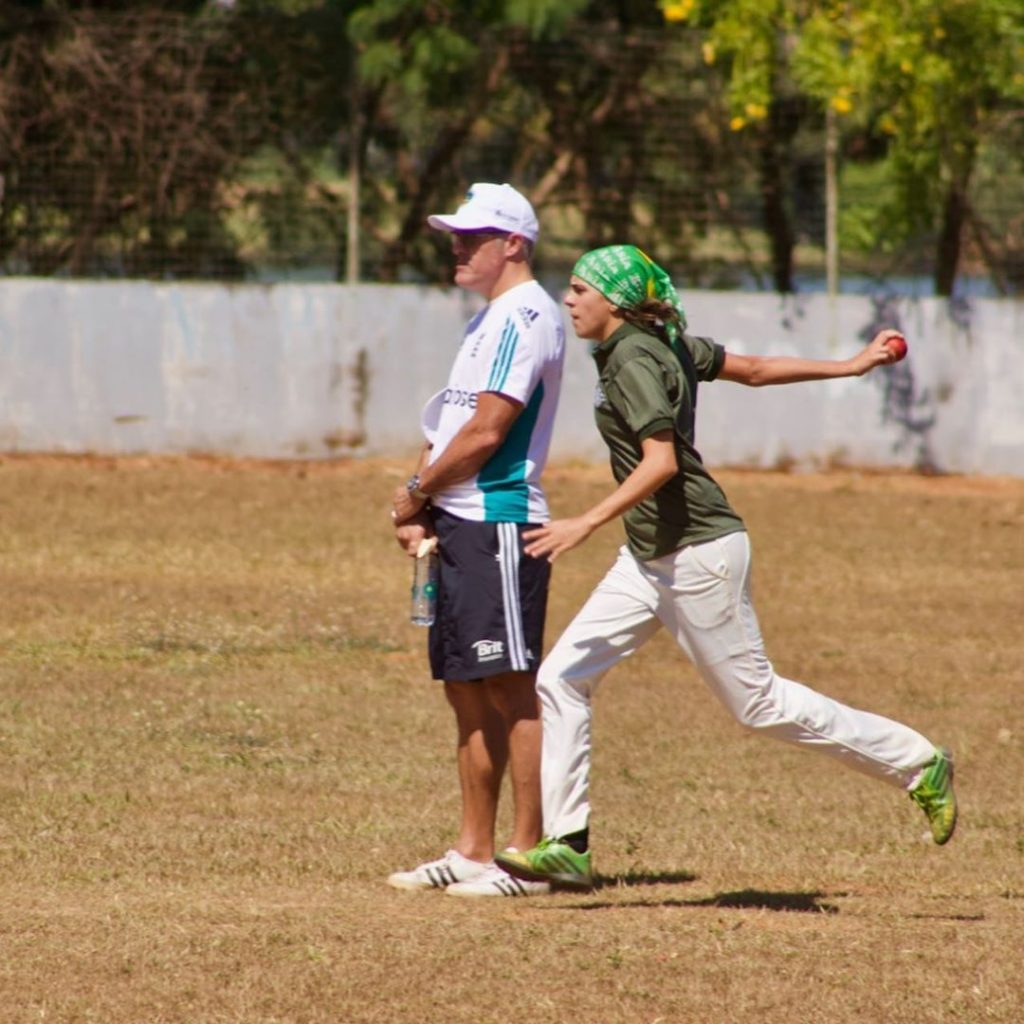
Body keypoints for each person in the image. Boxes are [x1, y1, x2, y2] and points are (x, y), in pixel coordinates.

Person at [496, 244, 957, 891]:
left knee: (758, 705)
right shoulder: (663, 340)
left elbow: (661, 464)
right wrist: (851, 365)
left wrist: (583, 522)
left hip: (697, 555)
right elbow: (758, 368)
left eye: (579, 289)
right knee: (563, 677)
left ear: (616, 302)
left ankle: (920, 763)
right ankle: (567, 843)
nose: (568, 300)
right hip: (651, 556)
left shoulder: (632, 355)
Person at [387, 183, 566, 897]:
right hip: (458, 519)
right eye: (455, 234)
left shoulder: (526, 317)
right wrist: (424, 503)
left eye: (474, 235)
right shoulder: (486, 320)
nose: (458, 245)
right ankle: (473, 851)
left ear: (514, 244)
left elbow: (489, 430)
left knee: (510, 684)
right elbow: (451, 424)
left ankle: (528, 855)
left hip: (498, 520)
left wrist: (415, 492)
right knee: (465, 688)